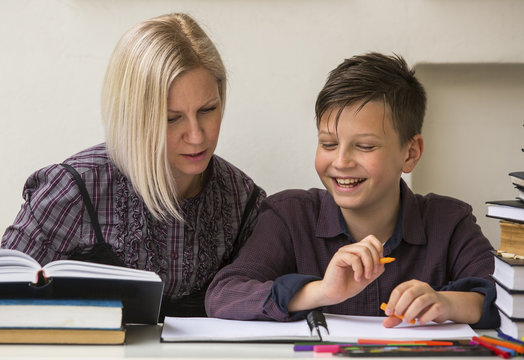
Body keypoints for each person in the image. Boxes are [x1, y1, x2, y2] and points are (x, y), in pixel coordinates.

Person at [205, 52, 499, 329]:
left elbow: (507, 300)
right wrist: (321, 292)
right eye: (328, 144)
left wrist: (447, 303)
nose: (341, 162)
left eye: (365, 146)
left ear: (410, 153)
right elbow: (223, 296)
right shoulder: (289, 215)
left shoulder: (449, 222)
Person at [1, 13, 265, 319]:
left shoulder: (242, 200)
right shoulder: (73, 190)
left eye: (208, 109)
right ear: (132, 116)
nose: (196, 136)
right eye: (171, 118)